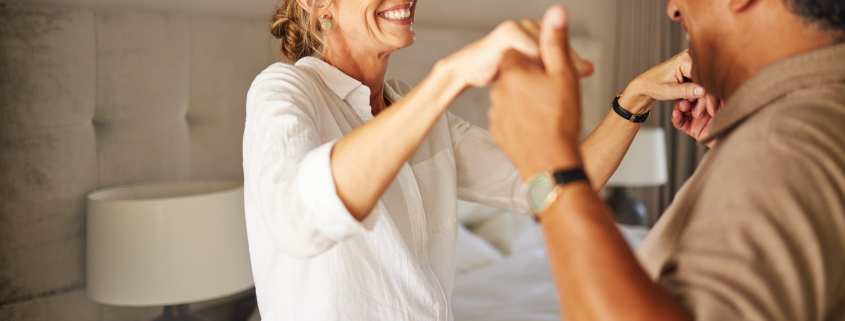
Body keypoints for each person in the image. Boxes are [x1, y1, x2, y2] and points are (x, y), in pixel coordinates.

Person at [241, 0, 708, 319]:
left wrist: (637, 96)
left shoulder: (422, 117)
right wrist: (451, 75)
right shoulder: (283, 91)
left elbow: (543, 184)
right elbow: (295, 217)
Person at [489, 1, 845, 320]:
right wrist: (732, 154)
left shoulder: (780, 144)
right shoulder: (809, 120)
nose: (673, 8)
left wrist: (549, 155)